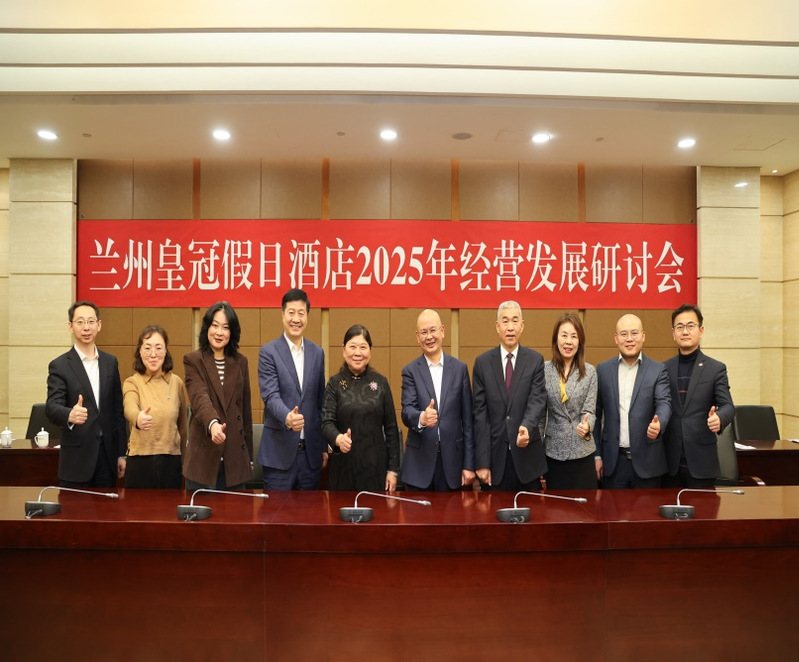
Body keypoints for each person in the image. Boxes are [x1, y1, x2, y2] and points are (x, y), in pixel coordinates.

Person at [45, 300, 127, 488]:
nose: (86, 327)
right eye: (80, 322)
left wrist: (121, 453)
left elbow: (117, 411)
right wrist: (69, 414)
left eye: (91, 321)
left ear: (99, 325)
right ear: (70, 327)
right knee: (74, 507)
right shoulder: (60, 365)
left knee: (108, 507)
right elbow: (51, 406)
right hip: (76, 460)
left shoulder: (110, 362)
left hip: (107, 458)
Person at [473, 301, 547, 491]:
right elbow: (480, 416)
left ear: (522, 325)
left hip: (526, 458)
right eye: (505, 321)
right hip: (495, 461)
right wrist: (482, 462)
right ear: (497, 326)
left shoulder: (535, 360)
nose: (510, 327)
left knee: (530, 509)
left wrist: (526, 426)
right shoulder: (482, 363)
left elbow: (537, 400)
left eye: (515, 321)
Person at [258, 289, 326, 490]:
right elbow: (270, 396)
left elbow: (320, 403)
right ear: (282, 314)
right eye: (291, 312)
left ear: (307, 316)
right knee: (276, 510)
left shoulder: (317, 353)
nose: (296, 319)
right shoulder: (268, 352)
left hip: (310, 457)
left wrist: (323, 446)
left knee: (310, 510)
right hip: (278, 456)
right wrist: (287, 417)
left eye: (301, 313)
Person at [400, 309, 475, 491]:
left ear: (442, 331)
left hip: (454, 464)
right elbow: (407, 411)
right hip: (419, 465)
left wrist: (469, 464)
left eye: (433, 330)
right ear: (417, 337)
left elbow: (468, 421)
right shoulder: (410, 371)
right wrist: (422, 418)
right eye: (424, 332)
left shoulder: (459, 369)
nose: (429, 337)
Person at [595, 314, 671, 488]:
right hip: (613, 463)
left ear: (643, 336)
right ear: (616, 339)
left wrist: (660, 423)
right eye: (624, 334)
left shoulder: (658, 370)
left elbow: (664, 403)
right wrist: (597, 455)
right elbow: (596, 415)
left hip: (647, 462)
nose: (629, 339)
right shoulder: (603, 370)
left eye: (634, 333)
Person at [182, 301, 253, 490]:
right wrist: (213, 424)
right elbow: (199, 397)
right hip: (202, 461)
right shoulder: (193, 360)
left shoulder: (241, 362)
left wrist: (249, 458)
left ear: (232, 332)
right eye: (215, 325)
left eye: (225, 327)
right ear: (207, 327)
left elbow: (245, 411)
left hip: (235, 462)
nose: (219, 332)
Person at [322, 325, 401, 492]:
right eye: (352, 346)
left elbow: (391, 429)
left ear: (370, 350)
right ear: (343, 350)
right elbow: (326, 423)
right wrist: (338, 438)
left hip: (376, 468)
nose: (357, 353)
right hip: (343, 468)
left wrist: (393, 470)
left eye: (363, 347)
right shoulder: (334, 384)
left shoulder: (381, 383)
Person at [663, 304, 735, 488]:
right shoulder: (663, 368)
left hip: (702, 463)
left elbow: (728, 406)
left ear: (701, 331)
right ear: (673, 333)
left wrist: (720, 418)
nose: (685, 332)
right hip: (669, 465)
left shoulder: (715, 368)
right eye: (680, 327)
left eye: (690, 326)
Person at [122, 324, 188, 489]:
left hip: (171, 462)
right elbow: (129, 406)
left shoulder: (176, 383)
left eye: (158, 348)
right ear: (140, 351)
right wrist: (138, 418)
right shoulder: (132, 382)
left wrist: (184, 462)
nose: (153, 354)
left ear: (166, 351)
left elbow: (183, 427)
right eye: (147, 348)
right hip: (139, 462)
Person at [540, 313, 598, 490]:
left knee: (586, 505)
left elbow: (590, 411)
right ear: (556, 339)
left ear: (580, 342)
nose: (568, 342)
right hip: (553, 453)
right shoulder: (544, 370)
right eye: (564, 335)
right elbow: (540, 416)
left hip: (582, 451)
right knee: (556, 505)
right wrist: (536, 453)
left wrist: (587, 426)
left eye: (574, 336)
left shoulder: (589, 372)